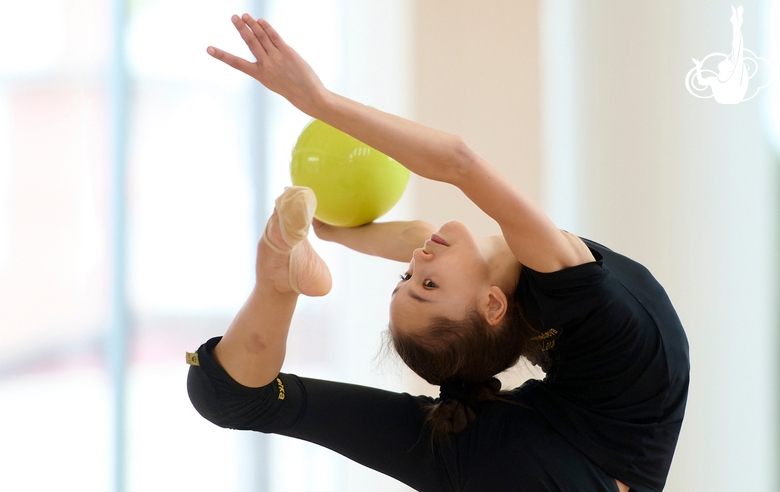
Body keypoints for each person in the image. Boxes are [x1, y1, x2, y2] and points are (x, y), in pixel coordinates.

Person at [187, 13, 689, 492]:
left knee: (235, 398)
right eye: (427, 286)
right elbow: (458, 163)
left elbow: (416, 241)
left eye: (406, 280)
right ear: (492, 305)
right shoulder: (575, 291)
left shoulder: (515, 293)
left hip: (533, 459)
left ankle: (277, 287)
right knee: (237, 400)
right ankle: (279, 282)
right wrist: (318, 105)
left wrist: (333, 230)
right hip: (553, 470)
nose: (419, 262)